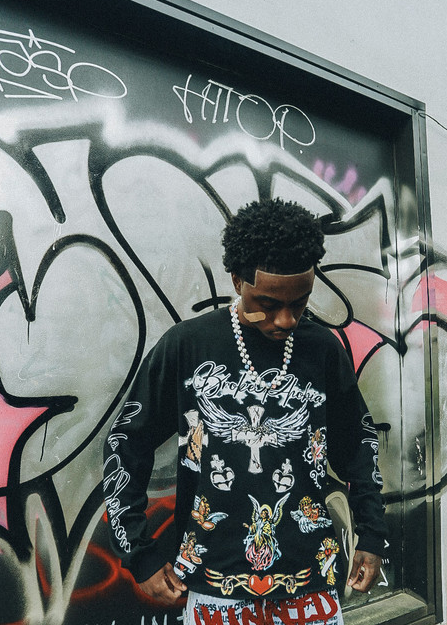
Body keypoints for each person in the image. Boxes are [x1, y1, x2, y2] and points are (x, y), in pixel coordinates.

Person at [103, 197, 387, 625]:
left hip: (311, 582)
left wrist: (372, 534)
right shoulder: (188, 346)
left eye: (300, 302)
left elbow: (358, 444)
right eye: (268, 304)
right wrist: (138, 553)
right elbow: (126, 443)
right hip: (214, 584)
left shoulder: (322, 350)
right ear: (237, 280)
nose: (286, 320)